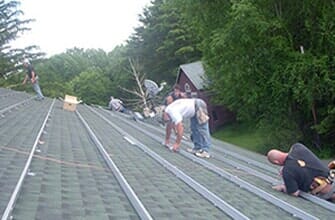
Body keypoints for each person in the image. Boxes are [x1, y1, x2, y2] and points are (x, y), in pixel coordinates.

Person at [267, 143, 335, 201]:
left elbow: (294, 193)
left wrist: (284, 187)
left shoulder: (287, 172)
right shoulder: (298, 147)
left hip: (327, 191)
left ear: (276, 162)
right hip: (332, 177)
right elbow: (297, 162)